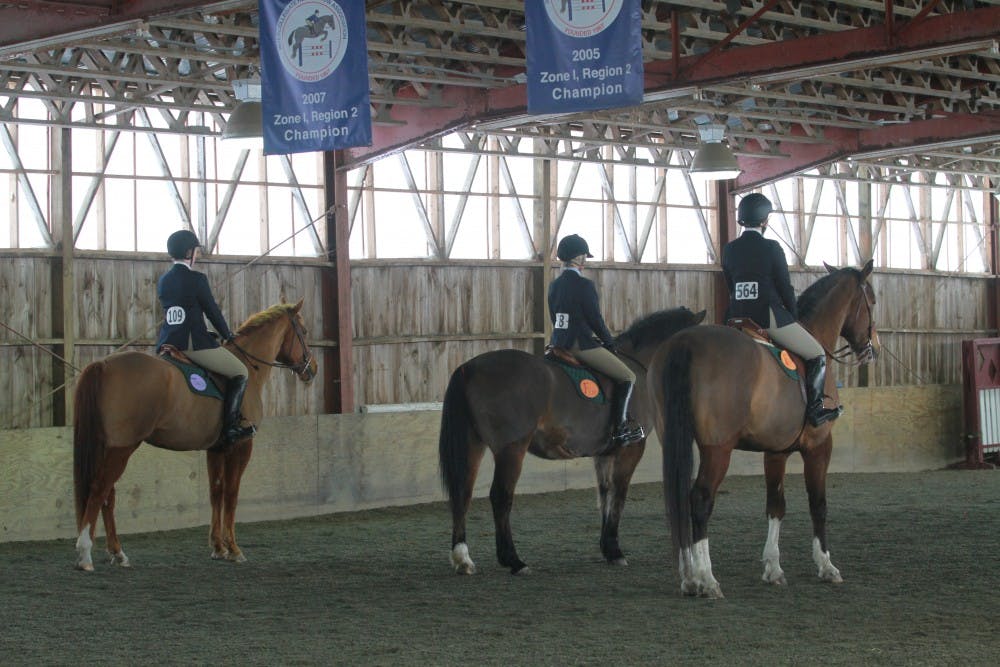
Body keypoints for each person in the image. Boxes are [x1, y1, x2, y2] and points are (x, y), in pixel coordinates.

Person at [721, 193, 841, 427]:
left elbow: (731, 286)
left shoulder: (729, 249)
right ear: (765, 221)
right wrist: (794, 318)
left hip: (735, 319)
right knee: (817, 353)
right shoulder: (772, 247)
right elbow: (785, 287)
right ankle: (816, 409)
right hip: (768, 319)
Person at [156, 229, 255, 444]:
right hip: (191, 344)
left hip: (167, 342)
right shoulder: (197, 279)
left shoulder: (163, 280)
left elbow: (183, 312)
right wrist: (226, 334)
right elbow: (211, 311)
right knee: (240, 372)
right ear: (189, 252)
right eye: (196, 252)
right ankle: (230, 428)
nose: (197, 256)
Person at [548, 234, 644, 445]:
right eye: (585, 256)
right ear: (578, 258)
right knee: (628, 376)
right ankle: (620, 429)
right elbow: (595, 320)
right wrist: (609, 343)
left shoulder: (553, 286)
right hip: (580, 345)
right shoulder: (584, 285)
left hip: (557, 344)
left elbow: (554, 318)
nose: (585, 261)